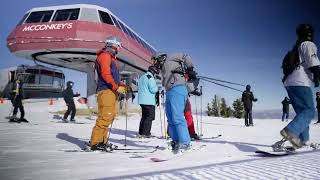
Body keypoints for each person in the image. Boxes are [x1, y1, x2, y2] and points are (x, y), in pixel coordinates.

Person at [280, 24, 320, 149]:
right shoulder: (308, 44)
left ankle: (303, 140)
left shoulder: (296, 47)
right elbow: (313, 62)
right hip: (300, 81)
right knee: (309, 111)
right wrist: (317, 76)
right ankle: (290, 132)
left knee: (302, 112)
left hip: (289, 82)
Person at [153, 52, 197, 153]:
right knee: (170, 118)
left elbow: (186, 56)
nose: (156, 63)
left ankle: (185, 143)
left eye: (156, 60)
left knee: (177, 117)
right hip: (169, 91)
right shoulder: (162, 68)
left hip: (178, 88)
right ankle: (175, 141)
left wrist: (190, 68)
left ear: (160, 57)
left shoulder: (170, 57)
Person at [89, 36, 127, 151]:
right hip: (106, 90)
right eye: (119, 46)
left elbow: (113, 77)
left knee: (108, 116)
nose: (119, 49)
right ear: (114, 45)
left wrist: (123, 85)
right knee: (105, 116)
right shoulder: (105, 56)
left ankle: (102, 141)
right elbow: (106, 74)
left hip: (109, 90)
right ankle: (95, 142)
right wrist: (116, 87)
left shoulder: (110, 57)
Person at [137, 65, 159, 138]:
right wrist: (157, 88)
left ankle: (141, 132)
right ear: (153, 71)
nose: (155, 74)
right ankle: (146, 133)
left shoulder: (142, 77)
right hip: (148, 101)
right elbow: (153, 89)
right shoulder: (150, 78)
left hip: (142, 100)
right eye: (155, 73)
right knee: (149, 117)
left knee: (144, 116)